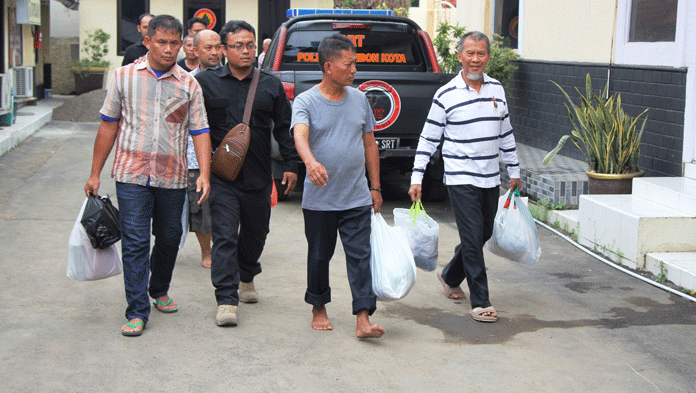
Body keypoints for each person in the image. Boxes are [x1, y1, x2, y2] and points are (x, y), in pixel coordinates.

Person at [84, 14, 211, 337]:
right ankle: (137, 309)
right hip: (131, 175)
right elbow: (107, 125)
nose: (168, 50)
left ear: (183, 44)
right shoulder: (124, 76)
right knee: (136, 242)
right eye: (162, 42)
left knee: (170, 237)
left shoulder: (188, 84)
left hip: (172, 176)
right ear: (147, 41)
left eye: (174, 43)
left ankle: (159, 288)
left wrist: (205, 173)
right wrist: (95, 173)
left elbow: (200, 130)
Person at [408, 31, 521, 324]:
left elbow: (505, 133)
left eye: (480, 53)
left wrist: (515, 171)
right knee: (472, 237)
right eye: (469, 53)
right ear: (459, 57)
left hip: (490, 177)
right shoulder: (446, 95)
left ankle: (449, 275)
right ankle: (481, 300)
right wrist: (416, 176)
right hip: (460, 177)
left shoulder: (497, 89)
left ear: (488, 57)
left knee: (483, 233)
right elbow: (428, 139)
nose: (475, 59)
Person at [195, 20, 299, 327]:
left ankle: (247, 274)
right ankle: (226, 299)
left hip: (258, 176)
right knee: (225, 236)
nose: (245, 51)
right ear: (224, 49)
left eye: (250, 45)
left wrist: (291, 166)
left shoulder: (270, 84)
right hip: (221, 177)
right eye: (238, 46)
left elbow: (284, 128)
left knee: (256, 234)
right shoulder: (205, 82)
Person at [291, 34, 385, 339]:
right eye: (350, 63)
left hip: (356, 195)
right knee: (319, 255)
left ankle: (363, 318)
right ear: (329, 66)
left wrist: (376, 186)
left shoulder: (360, 99)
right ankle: (318, 307)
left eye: (355, 62)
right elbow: (300, 135)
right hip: (320, 199)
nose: (355, 69)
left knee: (361, 256)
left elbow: (370, 144)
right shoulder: (306, 100)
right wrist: (310, 162)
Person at [185, 29, 222, 268]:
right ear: (195, 51)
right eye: (208, 48)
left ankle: (226, 247)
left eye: (218, 47)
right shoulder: (187, 80)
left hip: (228, 155)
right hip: (195, 156)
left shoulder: (233, 77)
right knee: (201, 208)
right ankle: (206, 251)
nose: (214, 53)